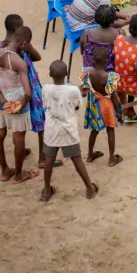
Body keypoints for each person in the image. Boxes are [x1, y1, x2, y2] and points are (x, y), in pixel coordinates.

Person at [0, 15, 58, 170]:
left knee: (16, 126)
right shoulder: (22, 46)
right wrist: (29, 46)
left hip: (9, 91)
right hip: (29, 90)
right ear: (18, 30)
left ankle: (22, 150)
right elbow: (37, 58)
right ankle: (42, 159)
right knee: (41, 124)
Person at [40, 60, 98, 202]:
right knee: (76, 159)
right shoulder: (73, 90)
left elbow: (47, 104)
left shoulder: (46, 88)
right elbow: (76, 107)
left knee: (49, 159)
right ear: (67, 74)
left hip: (51, 129)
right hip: (68, 130)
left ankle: (47, 190)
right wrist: (79, 93)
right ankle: (89, 188)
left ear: (50, 74)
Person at [0, 26, 37, 184]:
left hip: (0, 99)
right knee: (18, 136)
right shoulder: (20, 63)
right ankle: (18, 174)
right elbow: (28, 92)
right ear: (24, 43)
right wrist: (19, 104)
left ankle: (4, 170)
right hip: (17, 101)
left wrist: (3, 101)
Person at [81, 48, 124, 167]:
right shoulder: (108, 77)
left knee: (94, 131)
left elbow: (84, 87)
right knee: (110, 130)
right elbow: (113, 95)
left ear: (93, 60)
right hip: (107, 105)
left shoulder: (88, 73)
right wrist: (119, 111)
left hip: (94, 104)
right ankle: (111, 158)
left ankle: (90, 154)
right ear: (106, 61)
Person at [113, 12, 137, 123]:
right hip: (134, 87)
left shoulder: (118, 39)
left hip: (116, 81)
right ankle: (128, 108)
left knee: (126, 69)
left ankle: (126, 107)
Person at [80, 6, 119, 71]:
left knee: (86, 79)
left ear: (96, 17)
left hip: (89, 72)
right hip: (110, 72)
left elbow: (82, 52)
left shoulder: (87, 33)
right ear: (113, 19)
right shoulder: (119, 34)